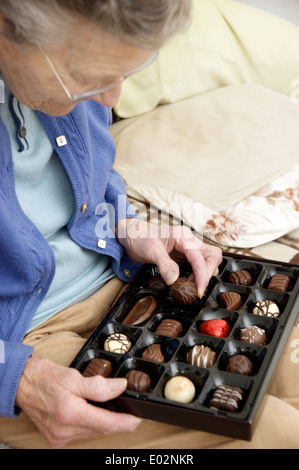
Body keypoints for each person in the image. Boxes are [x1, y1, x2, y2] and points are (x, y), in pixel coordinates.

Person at [0, 0, 224, 449]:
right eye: (91, 75)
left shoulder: (69, 79)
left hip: (119, 279)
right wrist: (15, 377)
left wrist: (128, 224)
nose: (112, 99)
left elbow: (96, 180)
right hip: (25, 339)